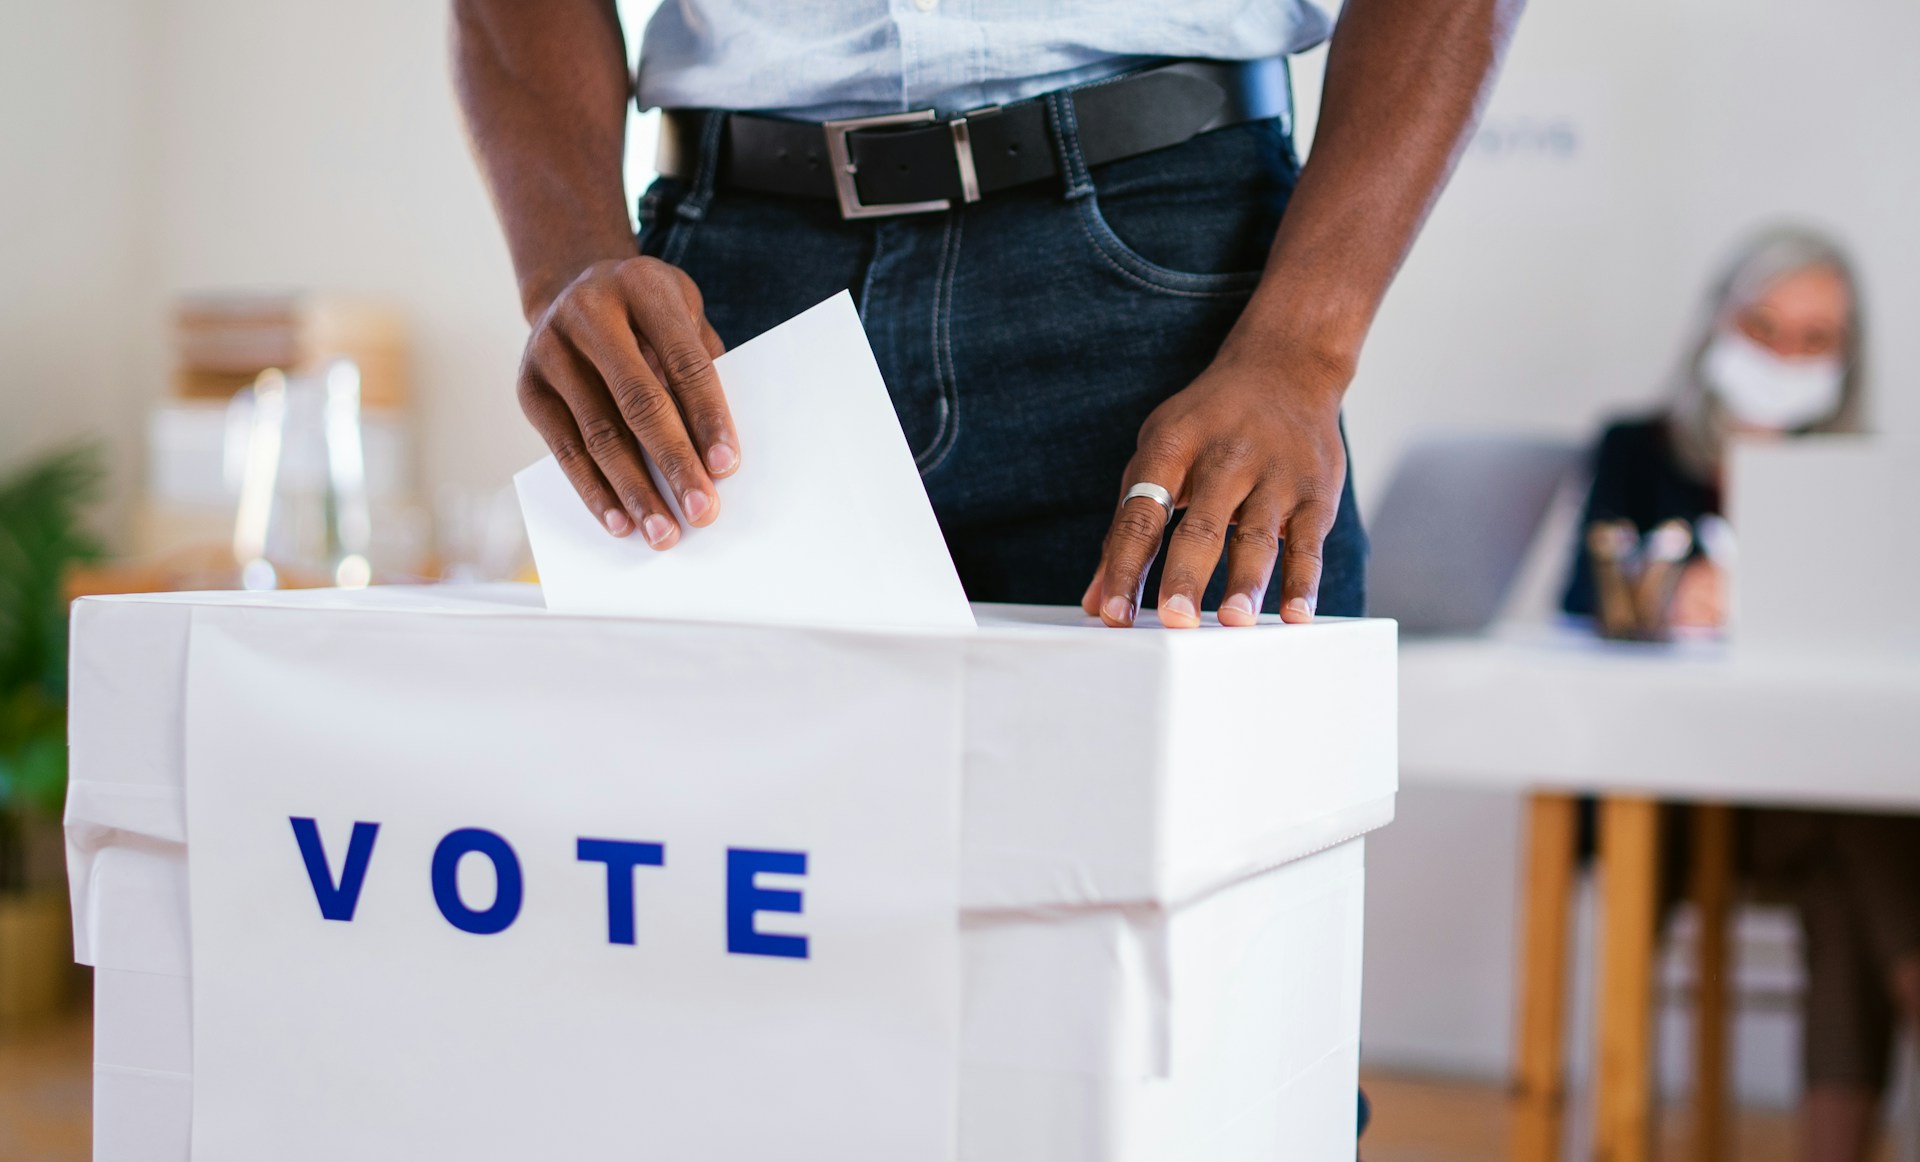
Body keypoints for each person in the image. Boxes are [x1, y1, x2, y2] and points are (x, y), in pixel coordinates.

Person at [452, 0, 1522, 631]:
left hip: (1177, 303)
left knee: (1195, 968)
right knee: (732, 943)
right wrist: (566, 262)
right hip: (734, 312)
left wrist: (1303, 345)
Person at [1564, 227, 1920, 1162]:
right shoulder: (1637, 451)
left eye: (1813, 340)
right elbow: (1579, 601)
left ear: (1846, 355)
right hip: (1674, 792)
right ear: (1719, 324)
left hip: (1796, 796)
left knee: (1853, 823)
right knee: (1861, 827)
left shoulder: (1867, 480)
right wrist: (1666, 596)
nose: (1784, 356)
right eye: (1764, 327)